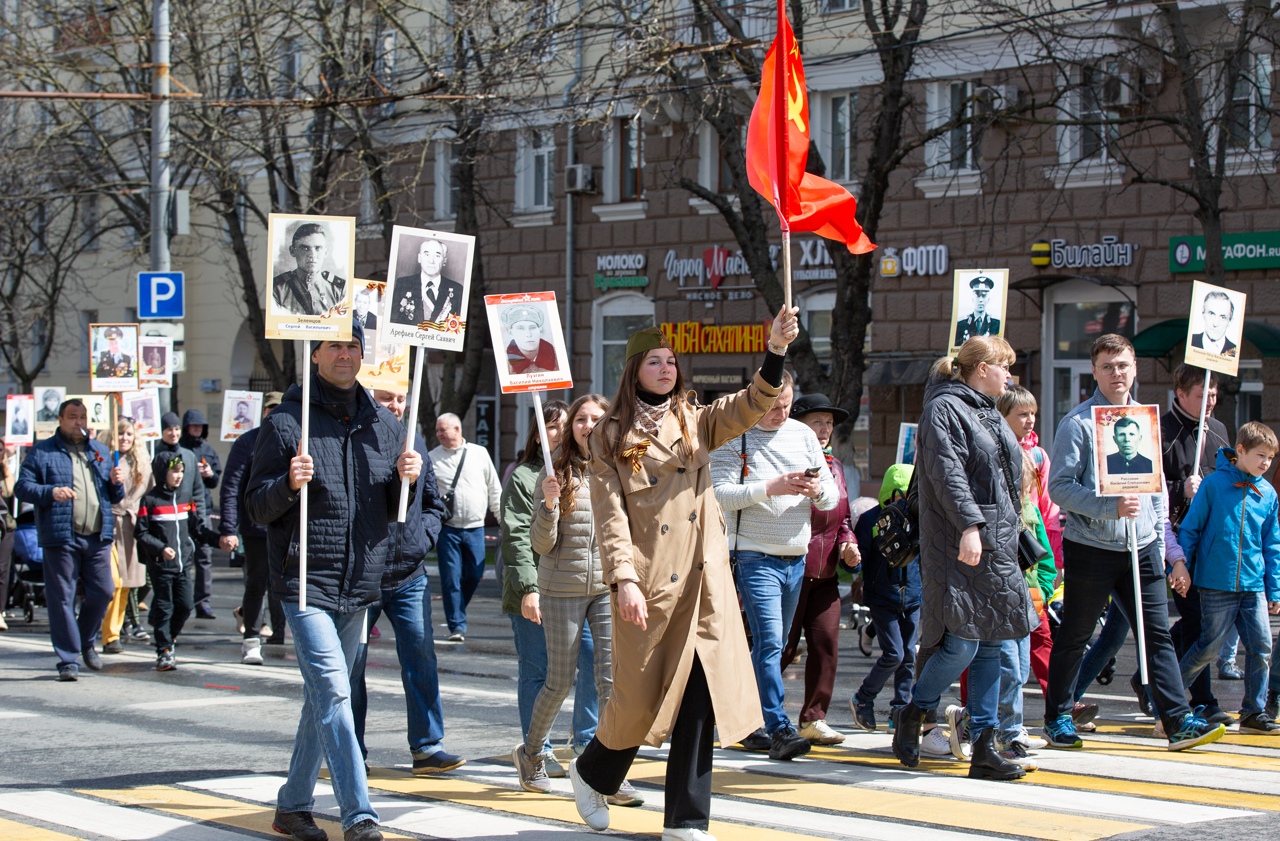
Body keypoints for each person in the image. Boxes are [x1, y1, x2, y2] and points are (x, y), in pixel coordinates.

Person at [567, 307, 796, 841]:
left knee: (700, 695)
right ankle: (592, 770)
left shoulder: (695, 418)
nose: (667, 368)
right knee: (639, 699)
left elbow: (750, 404)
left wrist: (776, 350)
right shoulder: (609, 436)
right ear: (633, 370)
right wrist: (623, 579)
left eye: (671, 361)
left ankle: (685, 822)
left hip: (704, 582)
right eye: (654, 361)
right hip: (649, 585)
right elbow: (611, 515)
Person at [246, 317, 420, 841]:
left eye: (352, 346)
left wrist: (405, 482)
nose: (345, 354)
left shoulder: (385, 426)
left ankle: (292, 806)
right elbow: (255, 507)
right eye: (334, 346)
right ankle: (359, 815)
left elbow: (392, 512)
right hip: (304, 581)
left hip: (360, 583)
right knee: (335, 695)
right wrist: (287, 485)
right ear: (314, 354)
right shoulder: (286, 423)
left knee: (323, 699)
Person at [1044, 333, 1225, 752]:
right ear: (1094, 371)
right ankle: (1057, 717)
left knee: (1156, 635)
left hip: (1140, 545)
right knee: (1076, 633)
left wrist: (1164, 547)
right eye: (1107, 366)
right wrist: (1107, 506)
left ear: (1134, 369)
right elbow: (1059, 488)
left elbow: (1157, 490)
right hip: (1092, 546)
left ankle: (1177, 720)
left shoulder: (1146, 421)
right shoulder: (1078, 424)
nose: (1116, 373)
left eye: (1122, 365)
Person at [889, 336, 1032, 782]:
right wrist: (970, 526)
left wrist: (1016, 529)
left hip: (997, 540)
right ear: (982, 367)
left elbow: (1007, 480)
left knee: (992, 639)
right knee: (963, 641)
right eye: (1003, 366)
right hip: (958, 541)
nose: (1009, 374)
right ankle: (916, 709)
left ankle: (985, 745)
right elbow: (946, 473)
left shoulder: (987, 409)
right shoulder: (944, 408)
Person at [514, 394, 644, 806]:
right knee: (559, 681)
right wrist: (549, 504)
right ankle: (532, 752)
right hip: (562, 589)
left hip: (607, 589)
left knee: (611, 681)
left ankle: (610, 772)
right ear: (572, 427)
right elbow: (541, 543)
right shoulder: (554, 473)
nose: (588, 425)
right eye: (581, 419)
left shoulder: (620, 467)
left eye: (596, 418)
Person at [710, 373, 839, 761]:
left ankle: (745, 721)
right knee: (768, 643)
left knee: (778, 645)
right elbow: (718, 493)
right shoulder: (736, 432)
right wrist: (771, 486)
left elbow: (831, 497)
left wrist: (816, 490)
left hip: (796, 554)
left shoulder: (801, 435)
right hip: (753, 554)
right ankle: (779, 726)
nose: (779, 413)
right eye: (771, 406)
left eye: (786, 405)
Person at [350, 387, 464, 776]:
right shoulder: (352, 438)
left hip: (408, 573)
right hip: (361, 575)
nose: (396, 405)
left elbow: (434, 503)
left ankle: (428, 746)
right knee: (352, 666)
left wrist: (422, 538)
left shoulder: (413, 439)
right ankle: (351, 751)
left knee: (420, 657)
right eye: (386, 398)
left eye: (401, 398)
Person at [500, 401, 601, 776]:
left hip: (580, 591)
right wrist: (529, 588)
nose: (558, 433)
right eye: (552, 426)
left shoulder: (589, 472)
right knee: (540, 673)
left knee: (592, 661)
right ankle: (536, 749)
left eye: (563, 425)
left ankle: (586, 739)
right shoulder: (527, 477)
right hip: (535, 590)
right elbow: (516, 538)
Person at [1176, 422, 1280, 734]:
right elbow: (1191, 529)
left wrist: (1274, 589)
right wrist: (1181, 569)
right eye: (1260, 456)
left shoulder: (1268, 493)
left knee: (1262, 646)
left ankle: (1253, 711)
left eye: (1271, 458)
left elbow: (1272, 545)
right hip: (1215, 583)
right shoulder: (1213, 485)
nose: (1265, 463)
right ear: (1241, 451)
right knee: (1208, 647)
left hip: (1252, 586)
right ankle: (1168, 697)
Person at [15, 398, 125, 680]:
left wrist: (117, 483)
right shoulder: (43, 452)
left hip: (97, 536)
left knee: (103, 591)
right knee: (61, 597)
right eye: (73, 417)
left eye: (83, 417)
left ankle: (86, 639)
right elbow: (22, 487)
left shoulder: (99, 451)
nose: (79, 422)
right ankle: (68, 659)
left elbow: (114, 497)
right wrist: (51, 492)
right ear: (61, 420)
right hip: (62, 535)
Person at [780, 392, 859, 746]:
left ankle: (814, 718)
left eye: (829, 423)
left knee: (826, 644)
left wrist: (848, 542)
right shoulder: (785, 462)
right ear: (799, 426)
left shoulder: (835, 467)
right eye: (818, 422)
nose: (825, 429)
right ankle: (752, 716)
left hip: (826, 574)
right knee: (779, 647)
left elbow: (842, 518)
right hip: (790, 567)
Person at [1160, 363, 1234, 722]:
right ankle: (1202, 698)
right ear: (1180, 394)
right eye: (1202, 395)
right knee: (1197, 621)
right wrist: (1179, 489)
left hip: (1213, 542)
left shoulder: (1218, 430)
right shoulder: (1163, 430)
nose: (1209, 402)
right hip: (1176, 541)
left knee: (1201, 622)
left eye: (1214, 396)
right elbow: (1148, 485)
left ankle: (1151, 684)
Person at [849, 465, 921, 735]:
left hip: (913, 596)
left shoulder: (920, 517)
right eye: (902, 495)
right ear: (891, 493)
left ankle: (900, 709)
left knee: (908, 657)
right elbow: (860, 558)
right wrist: (854, 563)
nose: (906, 501)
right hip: (882, 596)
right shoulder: (871, 519)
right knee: (894, 654)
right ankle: (863, 698)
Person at [220, 392, 285, 664]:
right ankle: (251, 639)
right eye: (270, 409)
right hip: (256, 526)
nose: (274, 414)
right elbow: (231, 485)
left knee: (282, 582)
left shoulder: (293, 439)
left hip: (285, 525)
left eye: (278, 409)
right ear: (263, 412)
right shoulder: (247, 442)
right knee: (257, 581)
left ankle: (279, 634)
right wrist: (228, 527)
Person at [136, 453, 217, 670]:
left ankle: (169, 638)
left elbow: (197, 529)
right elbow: (141, 533)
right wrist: (161, 549)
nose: (179, 476)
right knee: (165, 607)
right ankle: (163, 650)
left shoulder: (185, 499)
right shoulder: (150, 500)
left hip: (183, 565)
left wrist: (219, 540)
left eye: (181, 471)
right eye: (174, 471)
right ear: (163, 473)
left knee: (185, 605)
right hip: (161, 565)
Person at [429, 412, 501, 642]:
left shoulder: (479, 454)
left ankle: (458, 607)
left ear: (457, 430)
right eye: (438, 430)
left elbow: (494, 489)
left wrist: (502, 520)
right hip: (447, 529)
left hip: (475, 527)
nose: (439, 434)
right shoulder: (431, 458)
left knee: (474, 575)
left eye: (443, 429)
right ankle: (457, 625)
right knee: (450, 578)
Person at [99, 419, 153, 655]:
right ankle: (108, 633)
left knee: (128, 584)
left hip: (131, 526)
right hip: (108, 524)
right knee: (112, 583)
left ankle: (115, 631)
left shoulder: (141, 462)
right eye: (120, 433)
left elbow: (149, 493)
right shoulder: (105, 459)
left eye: (129, 434)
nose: (124, 438)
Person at [180, 409, 222, 620]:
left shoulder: (209, 450)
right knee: (182, 556)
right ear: (186, 427)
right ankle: (183, 601)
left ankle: (203, 603)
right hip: (181, 509)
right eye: (193, 425)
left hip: (202, 508)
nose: (196, 429)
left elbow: (215, 481)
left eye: (200, 426)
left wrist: (209, 474)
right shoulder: (179, 448)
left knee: (204, 557)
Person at [272, 222, 348, 317]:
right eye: (305, 248)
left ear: (326, 252)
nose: (312, 255)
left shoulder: (339, 290)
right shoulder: (277, 289)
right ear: (292, 251)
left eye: (318, 248)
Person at [390, 238, 464, 327]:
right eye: (427, 254)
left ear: (444, 261)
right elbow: (392, 322)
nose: (431, 261)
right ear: (419, 258)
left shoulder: (457, 290)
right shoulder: (403, 284)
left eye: (437, 255)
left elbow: (459, 329)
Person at [502, 304, 557, 374]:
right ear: (511, 333)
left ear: (540, 331)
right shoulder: (503, 359)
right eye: (520, 328)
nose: (528, 334)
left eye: (532, 327)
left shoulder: (557, 356)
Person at [953, 275, 1001, 346]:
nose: (980, 300)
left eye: (984, 295)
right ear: (972, 298)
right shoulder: (961, 324)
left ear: (988, 299)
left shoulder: (996, 323)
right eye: (977, 296)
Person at [1190, 290, 1238, 356]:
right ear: (1203, 312)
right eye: (1212, 314)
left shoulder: (1234, 351)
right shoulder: (1191, 341)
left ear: (1230, 321)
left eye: (1222, 317)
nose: (1215, 324)